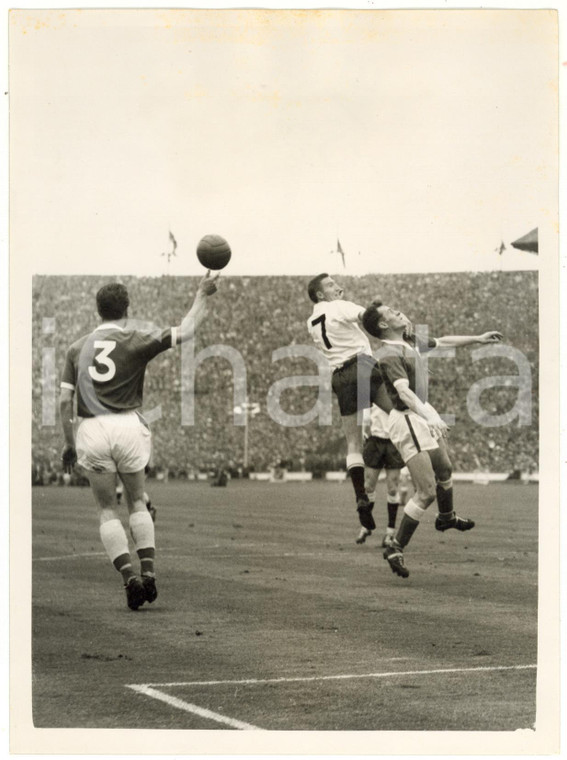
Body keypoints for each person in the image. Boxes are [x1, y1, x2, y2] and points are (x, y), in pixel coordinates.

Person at [60, 271, 219, 609]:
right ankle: (149, 574)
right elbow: (187, 330)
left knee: (106, 509)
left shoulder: (76, 349)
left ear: (98, 310)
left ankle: (129, 579)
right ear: (127, 308)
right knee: (137, 501)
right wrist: (202, 294)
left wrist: (69, 444)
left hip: (91, 428)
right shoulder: (136, 339)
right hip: (128, 426)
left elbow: (63, 402)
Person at [361, 300, 502, 578]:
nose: (399, 311)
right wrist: (431, 416)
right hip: (408, 419)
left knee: (445, 469)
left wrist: (477, 338)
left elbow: (444, 342)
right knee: (426, 491)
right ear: (383, 324)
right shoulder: (389, 354)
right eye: (393, 312)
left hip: (422, 414)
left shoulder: (410, 341)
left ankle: (446, 517)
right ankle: (395, 547)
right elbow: (404, 394)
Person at [306, 274, 393, 531]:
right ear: (321, 294)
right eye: (331, 285)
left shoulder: (311, 320)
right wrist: (377, 309)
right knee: (400, 413)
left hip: (340, 376)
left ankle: (360, 497)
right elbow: (367, 318)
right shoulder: (339, 306)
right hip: (363, 365)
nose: (337, 287)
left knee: (353, 443)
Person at [356, 403, 409, 547]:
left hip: (393, 442)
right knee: (368, 487)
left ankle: (390, 532)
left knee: (392, 488)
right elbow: (365, 416)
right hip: (375, 440)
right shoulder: (372, 390)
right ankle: (366, 526)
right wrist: (363, 434)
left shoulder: (396, 389)